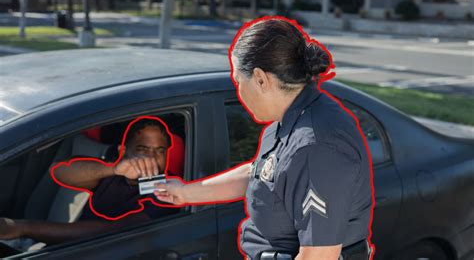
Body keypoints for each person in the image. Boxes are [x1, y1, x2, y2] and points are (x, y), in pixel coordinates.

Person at [153, 16, 374, 260]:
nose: (238, 91)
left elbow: (318, 256)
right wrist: (185, 193)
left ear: (260, 79)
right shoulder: (289, 120)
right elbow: (262, 174)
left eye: (238, 81)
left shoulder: (316, 147)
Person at [0, 118, 179, 247]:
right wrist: (114, 169)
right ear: (123, 150)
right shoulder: (112, 173)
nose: (151, 157)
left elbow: (113, 230)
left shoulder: (170, 190)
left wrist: (25, 227)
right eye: (142, 149)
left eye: (159, 151)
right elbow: (60, 171)